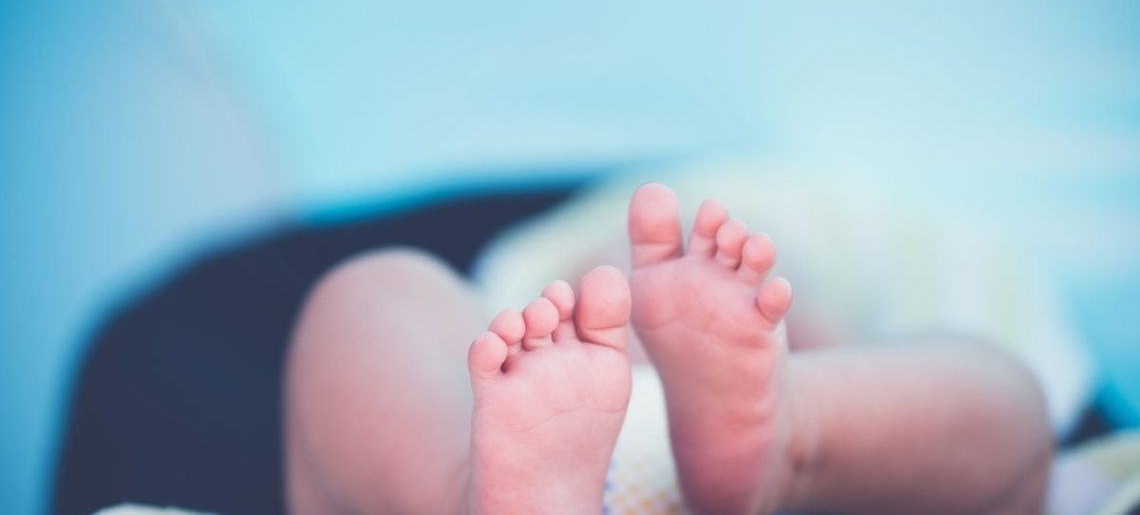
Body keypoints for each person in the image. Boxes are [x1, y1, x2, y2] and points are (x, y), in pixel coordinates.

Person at [283, 182, 1052, 514]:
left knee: (1005, 402)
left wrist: (796, 371)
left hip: (817, 494)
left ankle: (795, 435)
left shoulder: (870, 323)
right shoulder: (493, 353)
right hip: (509, 459)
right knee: (378, 301)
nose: (654, 295)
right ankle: (469, 494)